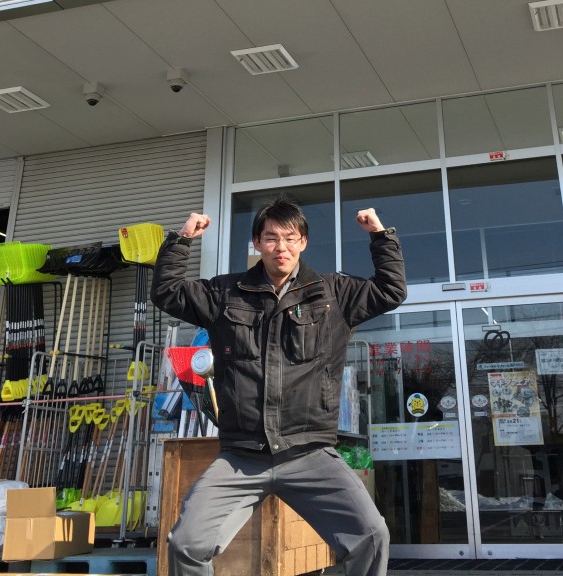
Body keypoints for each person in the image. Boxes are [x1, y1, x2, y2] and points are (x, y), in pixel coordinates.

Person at [151, 194, 406, 576]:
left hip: (310, 452)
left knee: (371, 536)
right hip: (242, 456)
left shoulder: (332, 293)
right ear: (257, 242)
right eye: (271, 238)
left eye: (290, 238)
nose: (280, 247)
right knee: (186, 544)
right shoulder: (225, 294)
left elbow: (390, 290)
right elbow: (167, 293)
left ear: (303, 242)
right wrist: (182, 239)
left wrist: (380, 236)